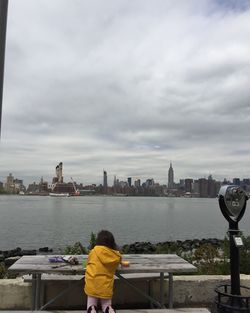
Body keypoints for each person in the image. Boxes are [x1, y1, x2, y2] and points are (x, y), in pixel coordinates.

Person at [84, 230, 122, 313]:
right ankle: (109, 309)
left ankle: (92, 309)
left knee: (91, 302)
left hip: (92, 282)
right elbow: (116, 265)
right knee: (106, 304)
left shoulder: (93, 251)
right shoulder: (115, 255)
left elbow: (88, 262)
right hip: (106, 285)